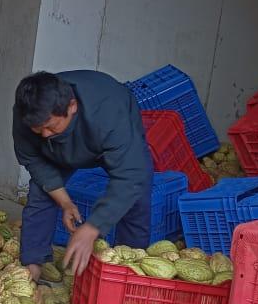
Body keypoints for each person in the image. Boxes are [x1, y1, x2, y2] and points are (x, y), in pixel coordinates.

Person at [12, 70, 154, 280]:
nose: (44, 134)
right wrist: (65, 202)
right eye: (37, 129)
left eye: (50, 126)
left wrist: (92, 227)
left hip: (103, 137)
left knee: (136, 197)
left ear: (72, 106)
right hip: (57, 150)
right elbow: (34, 160)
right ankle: (32, 268)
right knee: (41, 193)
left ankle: (128, 271)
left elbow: (131, 176)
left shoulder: (109, 113)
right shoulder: (28, 112)